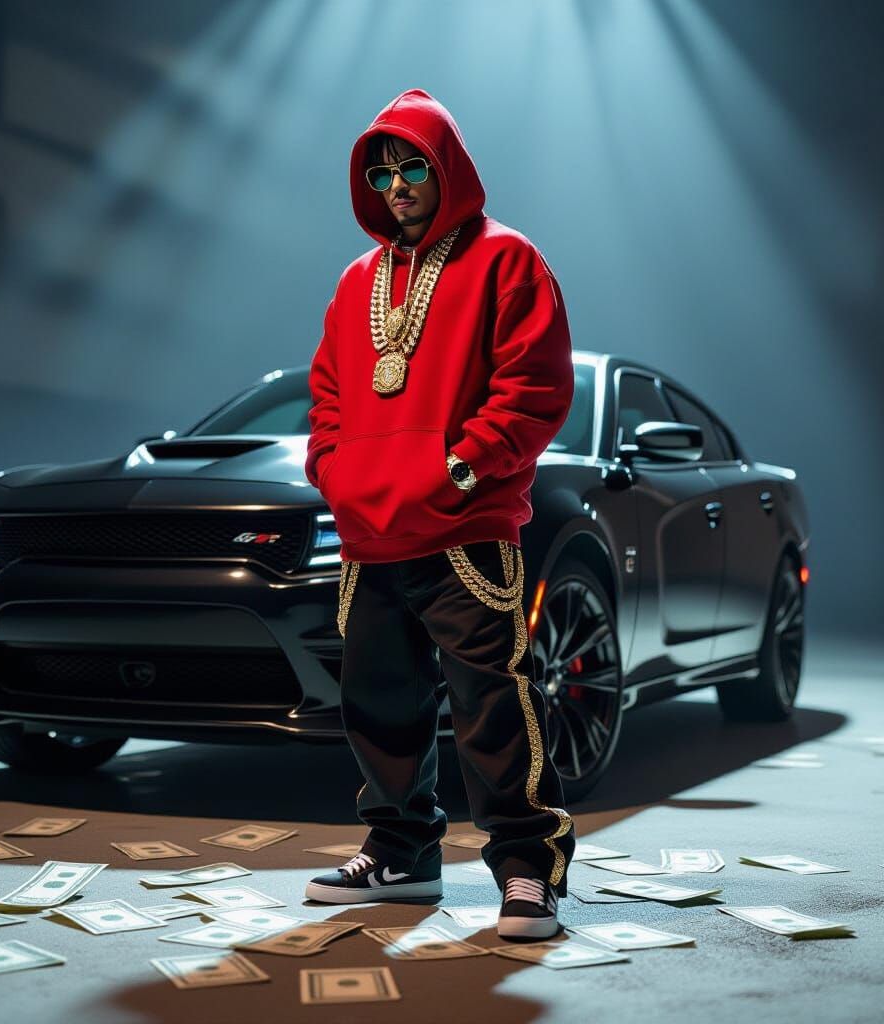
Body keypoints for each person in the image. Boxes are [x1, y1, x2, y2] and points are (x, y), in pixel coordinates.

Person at [302, 88, 576, 940]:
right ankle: (402, 855)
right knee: (378, 701)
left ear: (446, 165)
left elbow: (534, 389)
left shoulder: (509, 260)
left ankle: (529, 869)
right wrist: (336, 474)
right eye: (381, 173)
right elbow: (328, 398)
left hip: (466, 530)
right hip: (369, 535)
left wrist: (459, 467)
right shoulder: (356, 282)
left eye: (413, 164)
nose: (397, 184)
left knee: (492, 703)